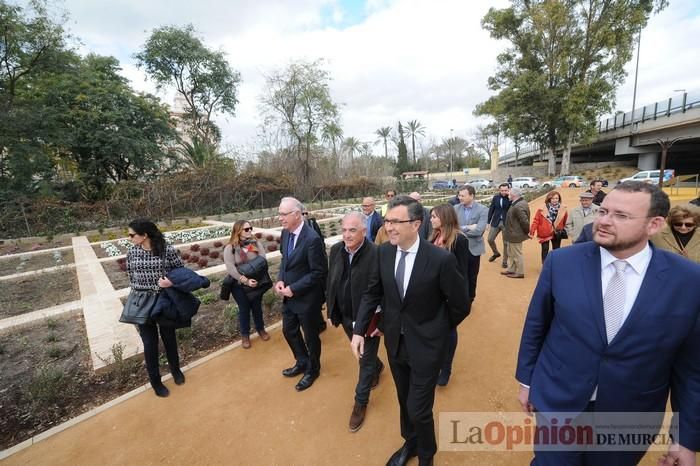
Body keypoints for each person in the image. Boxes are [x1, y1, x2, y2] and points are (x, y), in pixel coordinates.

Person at [516, 181, 700, 466]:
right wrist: (527, 381)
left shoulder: (688, 280)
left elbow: (692, 368)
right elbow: (537, 325)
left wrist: (685, 439)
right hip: (560, 402)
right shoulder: (562, 262)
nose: (604, 221)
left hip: (631, 416)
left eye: (621, 215)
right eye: (604, 211)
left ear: (655, 224)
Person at [351, 195, 470, 466]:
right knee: (404, 400)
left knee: (419, 408)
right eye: (386, 221)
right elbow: (372, 293)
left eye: (395, 222)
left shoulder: (440, 260)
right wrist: (359, 330)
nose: (388, 227)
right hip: (395, 342)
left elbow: (460, 305)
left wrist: (437, 330)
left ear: (416, 224)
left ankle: (426, 456)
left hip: (427, 347)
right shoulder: (383, 252)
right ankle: (411, 443)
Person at [326, 212, 384, 432]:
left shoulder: (376, 254)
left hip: (368, 318)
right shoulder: (336, 250)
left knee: (363, 360)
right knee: (364, 355)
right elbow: (331, 281)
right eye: (344, 230)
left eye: (352, 230)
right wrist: (331, 310)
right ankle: (378, 367)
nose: (347, 235)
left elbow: (384, 292)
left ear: (364, 231)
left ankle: (360, 402)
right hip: (345, 316)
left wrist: (384, 321)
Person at [125, 219, 185, 398]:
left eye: (132, 235)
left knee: (169, 338)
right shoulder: (132, 253)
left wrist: (171, 282)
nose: (129, 238)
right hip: (143, 303)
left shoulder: (167, 250)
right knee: (150, 344)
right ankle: (156, 381)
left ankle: (176, 370)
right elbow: (130, 274)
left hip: (164, 301)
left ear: (144, 235)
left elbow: (181, 271)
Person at [276, 197, 328, 391]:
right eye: (279, 214)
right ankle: (302, 361)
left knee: (311, 337)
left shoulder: (312, 239)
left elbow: (319, 272)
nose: (280, 218)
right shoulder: (285, 233)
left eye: (283, 214)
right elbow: (284, 260)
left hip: (306, 299)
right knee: (288, 331)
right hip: (289, 296)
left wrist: (294, 288)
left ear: (297, 215)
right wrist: (281, 279)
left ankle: (313, 369)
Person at [429, 204, 470, 387]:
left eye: (434, 216)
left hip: (449, 294)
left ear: (445, 217)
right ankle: (435, 362)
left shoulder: (459, 240)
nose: (431, 219)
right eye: (431, 216)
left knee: (449, 329)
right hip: (432, 293)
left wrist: (459, 296)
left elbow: (462, 271)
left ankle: (446, 368)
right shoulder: (433, 237)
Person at [223, 220, 270, 349]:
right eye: (246, 229)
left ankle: (260, 329)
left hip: (256, 281)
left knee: (256, 307)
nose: (250, 231)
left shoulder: (255, 244)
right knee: (244, 309)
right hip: (239, 284)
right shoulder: (230, 248)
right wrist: (245, 280)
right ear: (238, 231)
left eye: (250, 228)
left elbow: (263, 259)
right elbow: (231, 268)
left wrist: (254, 278)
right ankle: (245, 335)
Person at [453, 184, 488, 301]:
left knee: (472, 276)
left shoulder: (483, 210)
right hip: (457, 248)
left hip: (473, 249)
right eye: (459, 195)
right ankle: (459, 297)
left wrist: (459, 230)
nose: (460, 198)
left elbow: (479, 231)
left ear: (471, 196)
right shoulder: (455, 208)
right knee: (457, 274)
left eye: (463, 195)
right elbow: (451, 228)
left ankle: (470, 298)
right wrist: (468, 227)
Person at [530, 190, 568, 264]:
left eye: (556, 198)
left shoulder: (563, 209)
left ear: (559, 199)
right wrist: (532, 231)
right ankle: (545, 265)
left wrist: (566, 230)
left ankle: (555, 265)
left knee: (556, 250)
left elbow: (566, 221)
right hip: (544, 232)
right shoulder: (541, 209)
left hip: (557, 232)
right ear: (549, 199)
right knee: (545, 249)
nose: (555, 200)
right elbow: (536, 221)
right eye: (553, 198)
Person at [502, 187, 530, 278]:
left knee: (517, 254)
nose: (508, 195)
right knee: (511, 253)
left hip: (516, 234)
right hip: (512, 233)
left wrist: (526, 232)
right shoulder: (517, 203)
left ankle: (520, 272)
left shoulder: (518, 205)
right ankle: (511, 269)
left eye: (509, 194)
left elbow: (524, 221)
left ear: (513, 195)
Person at [486, 183, 511, 268]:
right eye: (502, 190)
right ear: (499, 190)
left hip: (506, 222)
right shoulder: (496, 197)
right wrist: (488, 222)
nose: (504, 192)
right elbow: (491, 209)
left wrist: (510, 197)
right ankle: (496, 253)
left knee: (506, 243)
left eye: (505, 190)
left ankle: (505, 261)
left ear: (508, 190)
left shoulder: (511, 198)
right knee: (490, 239)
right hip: (496, 221)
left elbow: (514, 207)